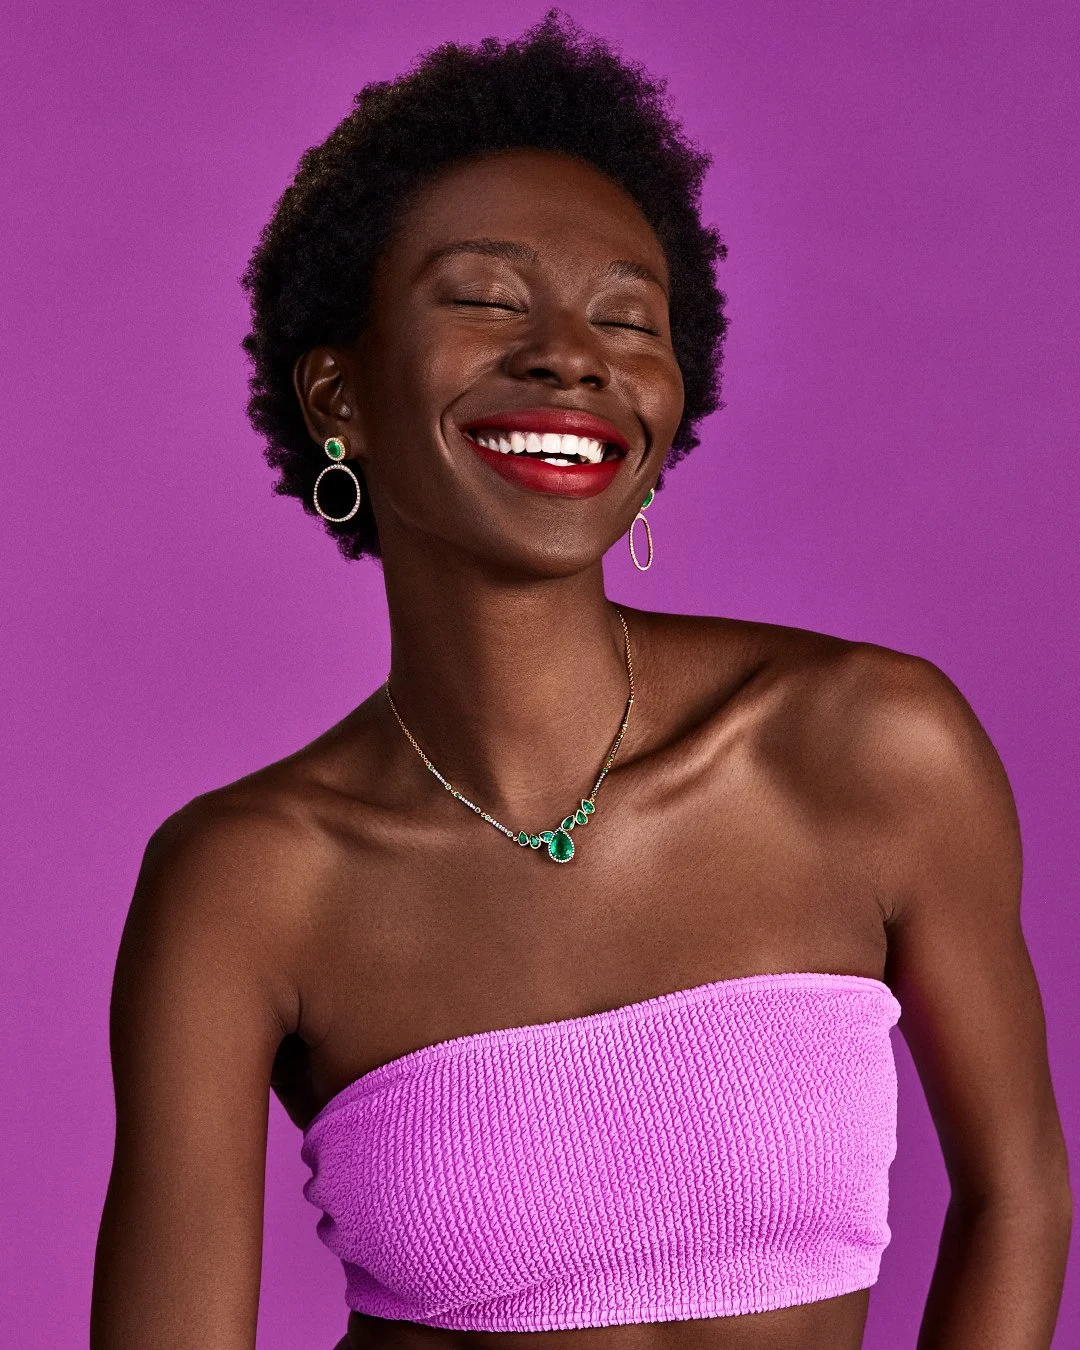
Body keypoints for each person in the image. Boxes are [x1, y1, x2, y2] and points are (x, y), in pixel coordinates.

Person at [90, 11, 1071, 1349]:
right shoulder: (248, 880)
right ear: (341, 397)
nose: (573, 353)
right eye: (486, 297)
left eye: (629, 318)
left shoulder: (871, 748)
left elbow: (1020, 1195)